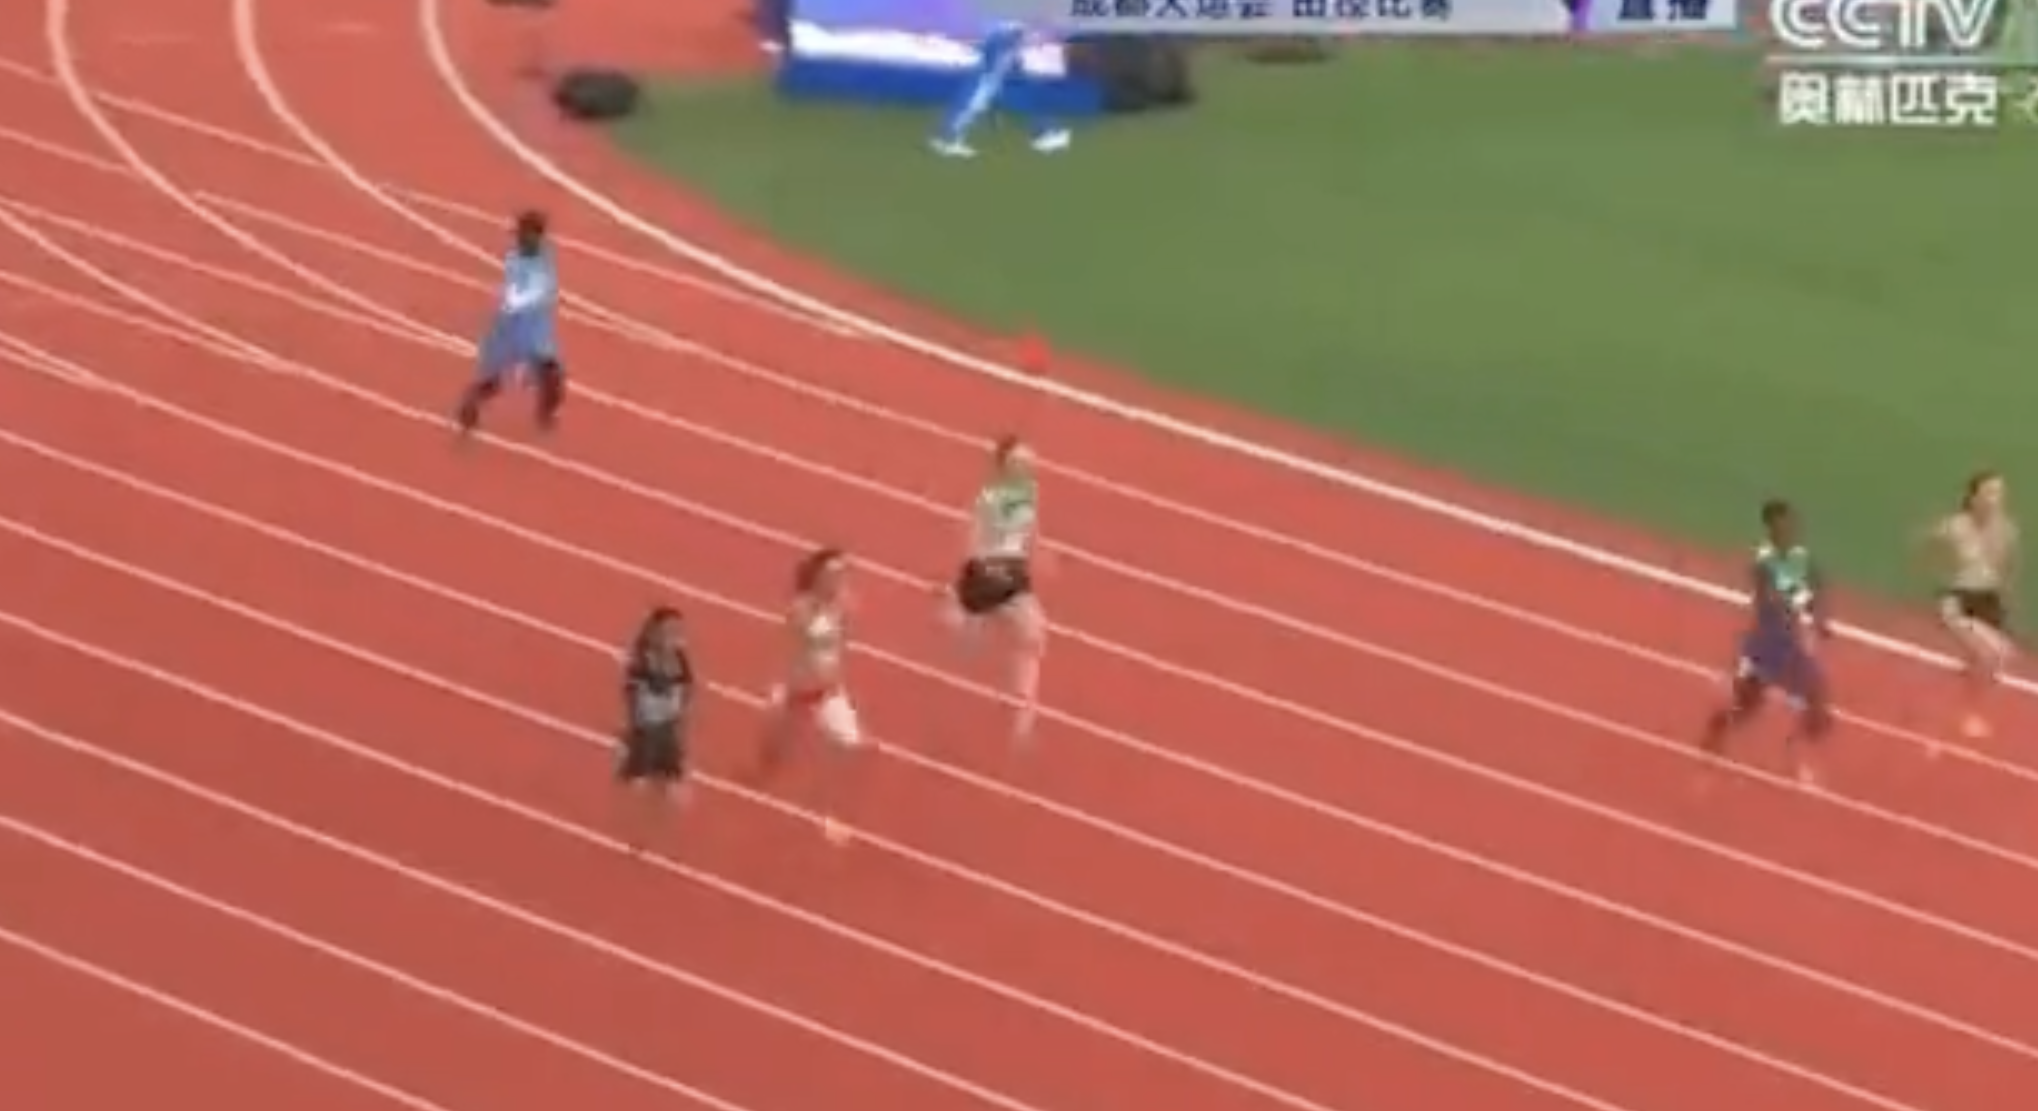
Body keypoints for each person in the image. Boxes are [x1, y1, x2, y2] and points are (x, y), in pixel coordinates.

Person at [1698, 498, 1834, 788]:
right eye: (1784, 523)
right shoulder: (1763, 562)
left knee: (1818, 703)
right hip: (1767, 646)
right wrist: (1804, 606)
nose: (1790, 528)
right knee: (1749, 706)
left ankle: (1796, 755)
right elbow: (1771, 598)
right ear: (1771, 527)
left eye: (1792, 522)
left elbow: (1817, 582)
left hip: (1790, 644)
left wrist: (1820, 615)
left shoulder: (1800, 557)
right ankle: (1719, 727)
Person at [754, 547, 868, 844]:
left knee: (849, 746)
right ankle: (762, 773)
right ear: (816, 577)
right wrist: (829, 609)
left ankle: (830, 813)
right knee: (775, 755)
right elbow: (803, 633)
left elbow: (847, 623)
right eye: (832, 574)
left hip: (828, 694)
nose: (838, 579)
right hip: (797, 695)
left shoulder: (838, 604)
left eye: (840, 574)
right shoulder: (801, 609)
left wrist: (840, 607)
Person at [942, 434, 1048, 744]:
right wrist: (970, 578)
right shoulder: (989, 500)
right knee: (983, 642)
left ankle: (1021, 712)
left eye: (1028, 461)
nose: (1027, 466)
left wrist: (1039, 553)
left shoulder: (1029, 492)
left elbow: (1030, 532)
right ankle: (1020, 712)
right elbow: (973, 540)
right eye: (1019, 462)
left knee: (1033, 636)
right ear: (1004, 467)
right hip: (990, 574)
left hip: (1012, 576)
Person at [1922, 469, 2018, 743]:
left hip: (1986, 602)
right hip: (1958, 601)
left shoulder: (2006, 532)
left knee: (2000, 656)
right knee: (1989, 657)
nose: (1995, 499)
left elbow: (2005, 570)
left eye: (1999, 493)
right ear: (1973, 497)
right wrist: (1941, 583)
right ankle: (1968, 713)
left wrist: (2004, 600)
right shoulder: (1956, 527)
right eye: (1989, 492)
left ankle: (1957, 693)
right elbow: (1928, 548)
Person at [456, 209, 565, 437]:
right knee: (493, 381)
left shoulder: (543, 256)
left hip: (533, 326)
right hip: (512, 325)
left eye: (529, 233)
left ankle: (545, 412)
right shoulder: (516, 261)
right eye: (523, 234)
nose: (523, 238)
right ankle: (470, 403)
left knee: (552, 375)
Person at [615, 605, 695, 855]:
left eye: (677, 630)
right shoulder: (643, 659)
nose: (674, 635)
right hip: (647, 728)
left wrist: (682, 720)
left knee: (666, 787)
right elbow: (631, 695)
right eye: (669, 629)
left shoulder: (679, 657)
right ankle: (637, 836)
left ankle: (655, 838)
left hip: (667, 726)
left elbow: (688, 689)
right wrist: (630, 732)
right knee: (642, 784)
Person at [928, 20, 1071, 158]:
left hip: (997, 69)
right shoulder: (1003, 37)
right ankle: (946, 139)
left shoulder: (1008, 42)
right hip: (991, 71)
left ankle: (1043, 133)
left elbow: (1011, 54)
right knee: (973, 103)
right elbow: (1001, 47)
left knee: (1019, 93)